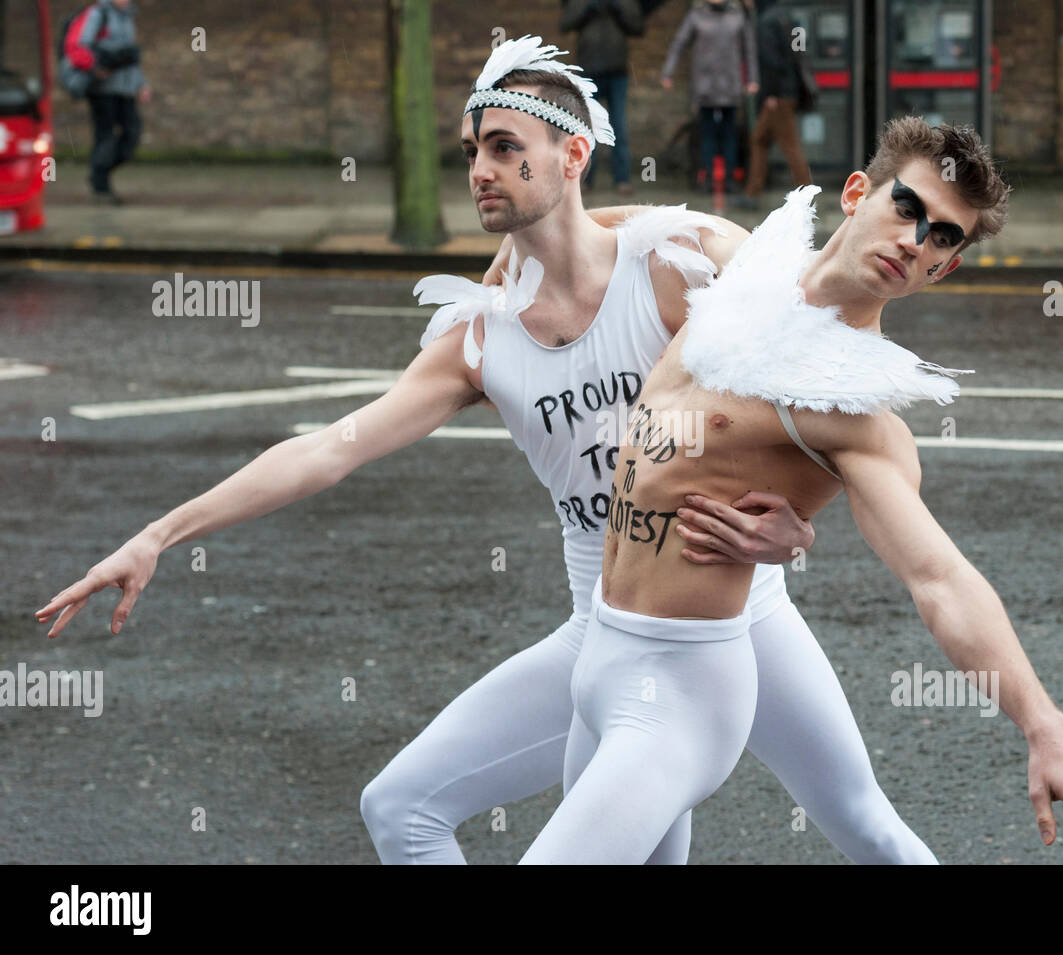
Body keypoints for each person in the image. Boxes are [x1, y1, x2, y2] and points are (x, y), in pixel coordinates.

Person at [35, 37, 935, 865]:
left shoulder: (680, 267)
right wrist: (160, 532)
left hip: (746, 617)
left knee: (863, 822)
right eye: (472, 151)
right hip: (603, 632)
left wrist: (802, 531)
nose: (482, 168)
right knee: (400, 806)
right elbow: (327, 449)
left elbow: (826, 357)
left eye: (507, 147)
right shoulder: (481, 339)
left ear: (573, 156)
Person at [519, 119, 1063, 864]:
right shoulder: (747, 259)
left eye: (944, 237)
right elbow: (605, 227)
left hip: (680, 690)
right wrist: (514, 258)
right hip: (603, 654)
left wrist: (1046, 726)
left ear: (942, 270)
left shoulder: (856, 412)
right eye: (908, 207)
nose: (917, 239)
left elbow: (939, 578)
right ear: (857, 194)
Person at [660, 0, 758, 195]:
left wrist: (752, 79)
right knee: (707, 134)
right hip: (706, 85)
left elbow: (749, 49)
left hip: (730, 84)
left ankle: (730, 178)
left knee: (729, 135)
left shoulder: (737, 15)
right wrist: (667, 72)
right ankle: (706, 178)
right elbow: (679, 43)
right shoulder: (697, 15)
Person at [559, 0, 644, 196]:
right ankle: (585, 179)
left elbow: (638, 27)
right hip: (589, 71)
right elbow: (565, 24)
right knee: (587, 126)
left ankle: (622, 178)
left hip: (617, 72)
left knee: (619, 126)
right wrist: (587, 10)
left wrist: (618, 10)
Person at [734, 0, 812, 211]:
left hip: (778, 96)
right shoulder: (785, 15)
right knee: (759, 140)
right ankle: (752, 193)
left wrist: (770, 94)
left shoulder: (766, 21)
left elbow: (771, 61)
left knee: (790, 146)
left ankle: (806, 194)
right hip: (787, 92)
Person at [76, 0, 151, 204]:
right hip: (103, 88)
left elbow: (131, 57)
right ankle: (101, 187)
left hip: (126, 89)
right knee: (105, 137)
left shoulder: (128, 17)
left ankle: (98, 171)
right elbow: (82, 46)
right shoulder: (98, 14)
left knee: (132, 135)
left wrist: (141, 84)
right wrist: (96, 67)